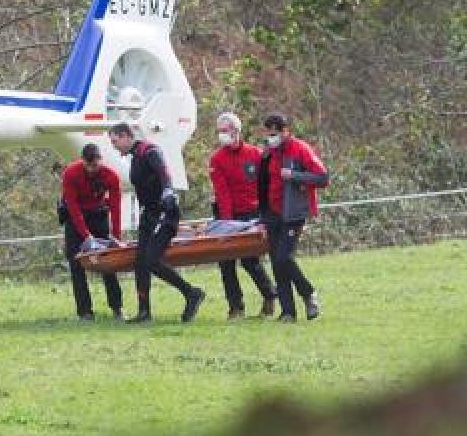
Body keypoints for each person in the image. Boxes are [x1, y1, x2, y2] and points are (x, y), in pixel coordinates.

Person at [107, 122, 206, 324]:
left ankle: (191, 293)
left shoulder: (149, 150)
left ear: (126, 136)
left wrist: (169, 191)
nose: (114, 146)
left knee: (152, 260)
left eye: (115, 141)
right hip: (149, 215)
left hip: (164, 213)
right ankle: (144, 312)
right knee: (140, 262)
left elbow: (164, 172)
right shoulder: (133, 158)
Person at [256, 113, 328, 322]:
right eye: (269, 134)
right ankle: (288, 312)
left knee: (283, 258)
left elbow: (323, 178)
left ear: (286, 131)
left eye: (275, 133)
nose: (272, 137)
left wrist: (295, 175)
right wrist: (262, 216)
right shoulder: (267, 154)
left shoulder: (301, 149)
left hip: (293, 213)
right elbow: (262, 185)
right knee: (277, 263)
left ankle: (308, 293)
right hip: (272, 213)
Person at [208, 111, 278, 320]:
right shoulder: (217, 159)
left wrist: (265, 213)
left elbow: (265, 186)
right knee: (226, 262)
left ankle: (269, 295)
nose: (222, 135)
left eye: (225, 130)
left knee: (250, 260)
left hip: (253, 213)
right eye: (219, 131)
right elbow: (222, 193)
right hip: (227, 214)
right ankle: (235, 307)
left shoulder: (255, 154)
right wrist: (228, 224)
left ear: (237, 130)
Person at [60, 143, 125, 321]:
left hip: (98, 216)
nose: (91, 170)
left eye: (95, 165)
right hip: (76, 219)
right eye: (88, 166)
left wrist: (116, 236)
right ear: (83, 162)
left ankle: (117, 307)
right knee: (76, 264)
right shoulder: (71, 173)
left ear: (100, 161)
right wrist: (86, 236)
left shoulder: (110, 175)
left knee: (107, 262)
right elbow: (72, 207)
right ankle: (85, 312)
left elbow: (115, 206)